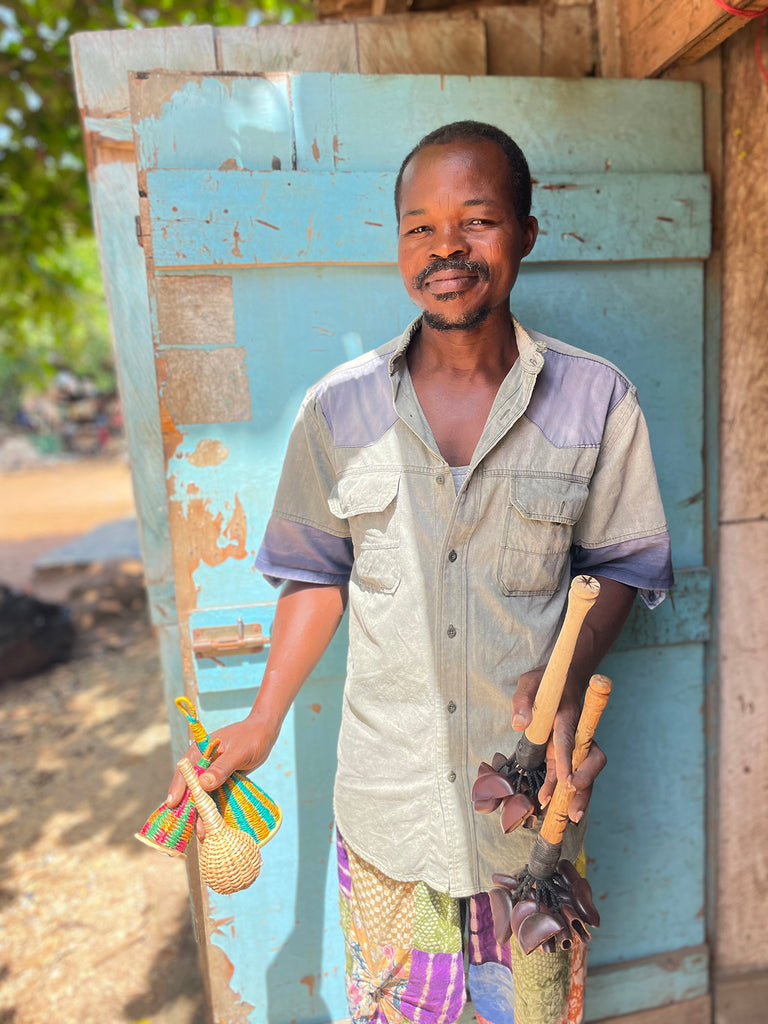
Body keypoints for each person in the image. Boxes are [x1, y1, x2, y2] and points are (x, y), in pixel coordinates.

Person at [167, 121, 673, 1024]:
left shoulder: (598, 399)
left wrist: (569, 669)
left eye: (476, 220)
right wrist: (263, 718)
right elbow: (316, 576)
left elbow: (623, 566)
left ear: (525, 229)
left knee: (534, 1013)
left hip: (532, 823)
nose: (446, 247)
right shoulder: (338, 410)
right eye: (419, 226)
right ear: (400, 244)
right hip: (388, 814)